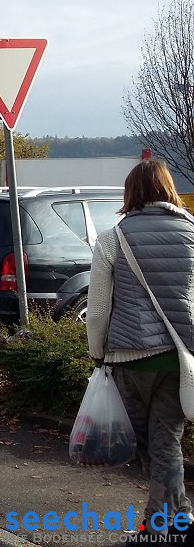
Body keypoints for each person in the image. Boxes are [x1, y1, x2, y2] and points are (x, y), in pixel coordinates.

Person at [87, 159, 194, 539]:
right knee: (166, 443)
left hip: (130, 357)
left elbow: (97, 308)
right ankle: (180, 518)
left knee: (152, 447)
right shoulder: (192, 232)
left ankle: (156, 528)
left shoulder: (113, 237)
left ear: (131, 192)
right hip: (180, 359)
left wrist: (96, 353)